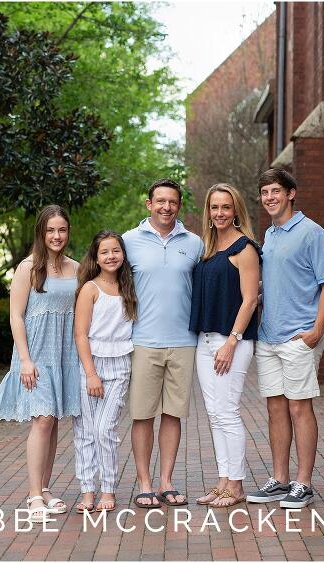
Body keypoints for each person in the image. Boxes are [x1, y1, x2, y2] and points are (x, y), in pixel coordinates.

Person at [247, 168, 324, 509]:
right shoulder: (269, 236)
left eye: (275, 191)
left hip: (299, 334)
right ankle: (280, 479)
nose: (269, 197)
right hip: (268, 336)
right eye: (265, 192)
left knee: (300, 406)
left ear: (291, 193)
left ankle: (304, 482)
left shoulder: (312, 233)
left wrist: (316, 330)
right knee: (275, 408)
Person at [0, 205, 80, 522]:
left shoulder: (77, 269)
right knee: (42, 420)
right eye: (51, 230)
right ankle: (33, 496)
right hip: (36, 356)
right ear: (41, 233)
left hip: (64, 355)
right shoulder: (28, 268)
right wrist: (25, 359)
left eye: (62, 230)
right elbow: (15, 315)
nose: (57, 236)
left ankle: (45, 487)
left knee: (53, 421)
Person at [122, 178, 203, 509]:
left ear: (179, 205)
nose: (166, 207)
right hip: (142, 341)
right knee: (142, 415)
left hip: (184, 341)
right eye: (160, 201)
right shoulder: (128, 241)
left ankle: (166, 481)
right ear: (149, 204)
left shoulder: (195, 243)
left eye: (172, 202)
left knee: (173, 414)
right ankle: (144, 482)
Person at [189, 183, 261, 508]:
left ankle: (237, 486)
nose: (219, 213)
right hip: (205, 339)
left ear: (236, 211)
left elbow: (249, 300)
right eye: (214, 207)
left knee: (228, 411)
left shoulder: (244, 248)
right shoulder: (207, 248)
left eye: (226, 207)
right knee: (214, 414)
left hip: (231, 340)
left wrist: (232, 341)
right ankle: (223, 482)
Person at [72, 230, 137, 514]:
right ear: (96, 258)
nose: (111, 256)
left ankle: (108, 488)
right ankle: (88, 490)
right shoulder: (90, 289)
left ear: (123, 255)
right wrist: (90, 374)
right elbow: (80, 335)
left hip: (120, 364)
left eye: (116, 251)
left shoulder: (129, 288)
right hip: (91, 366)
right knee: (86, 431)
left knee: (104, 429)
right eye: (105, 252)